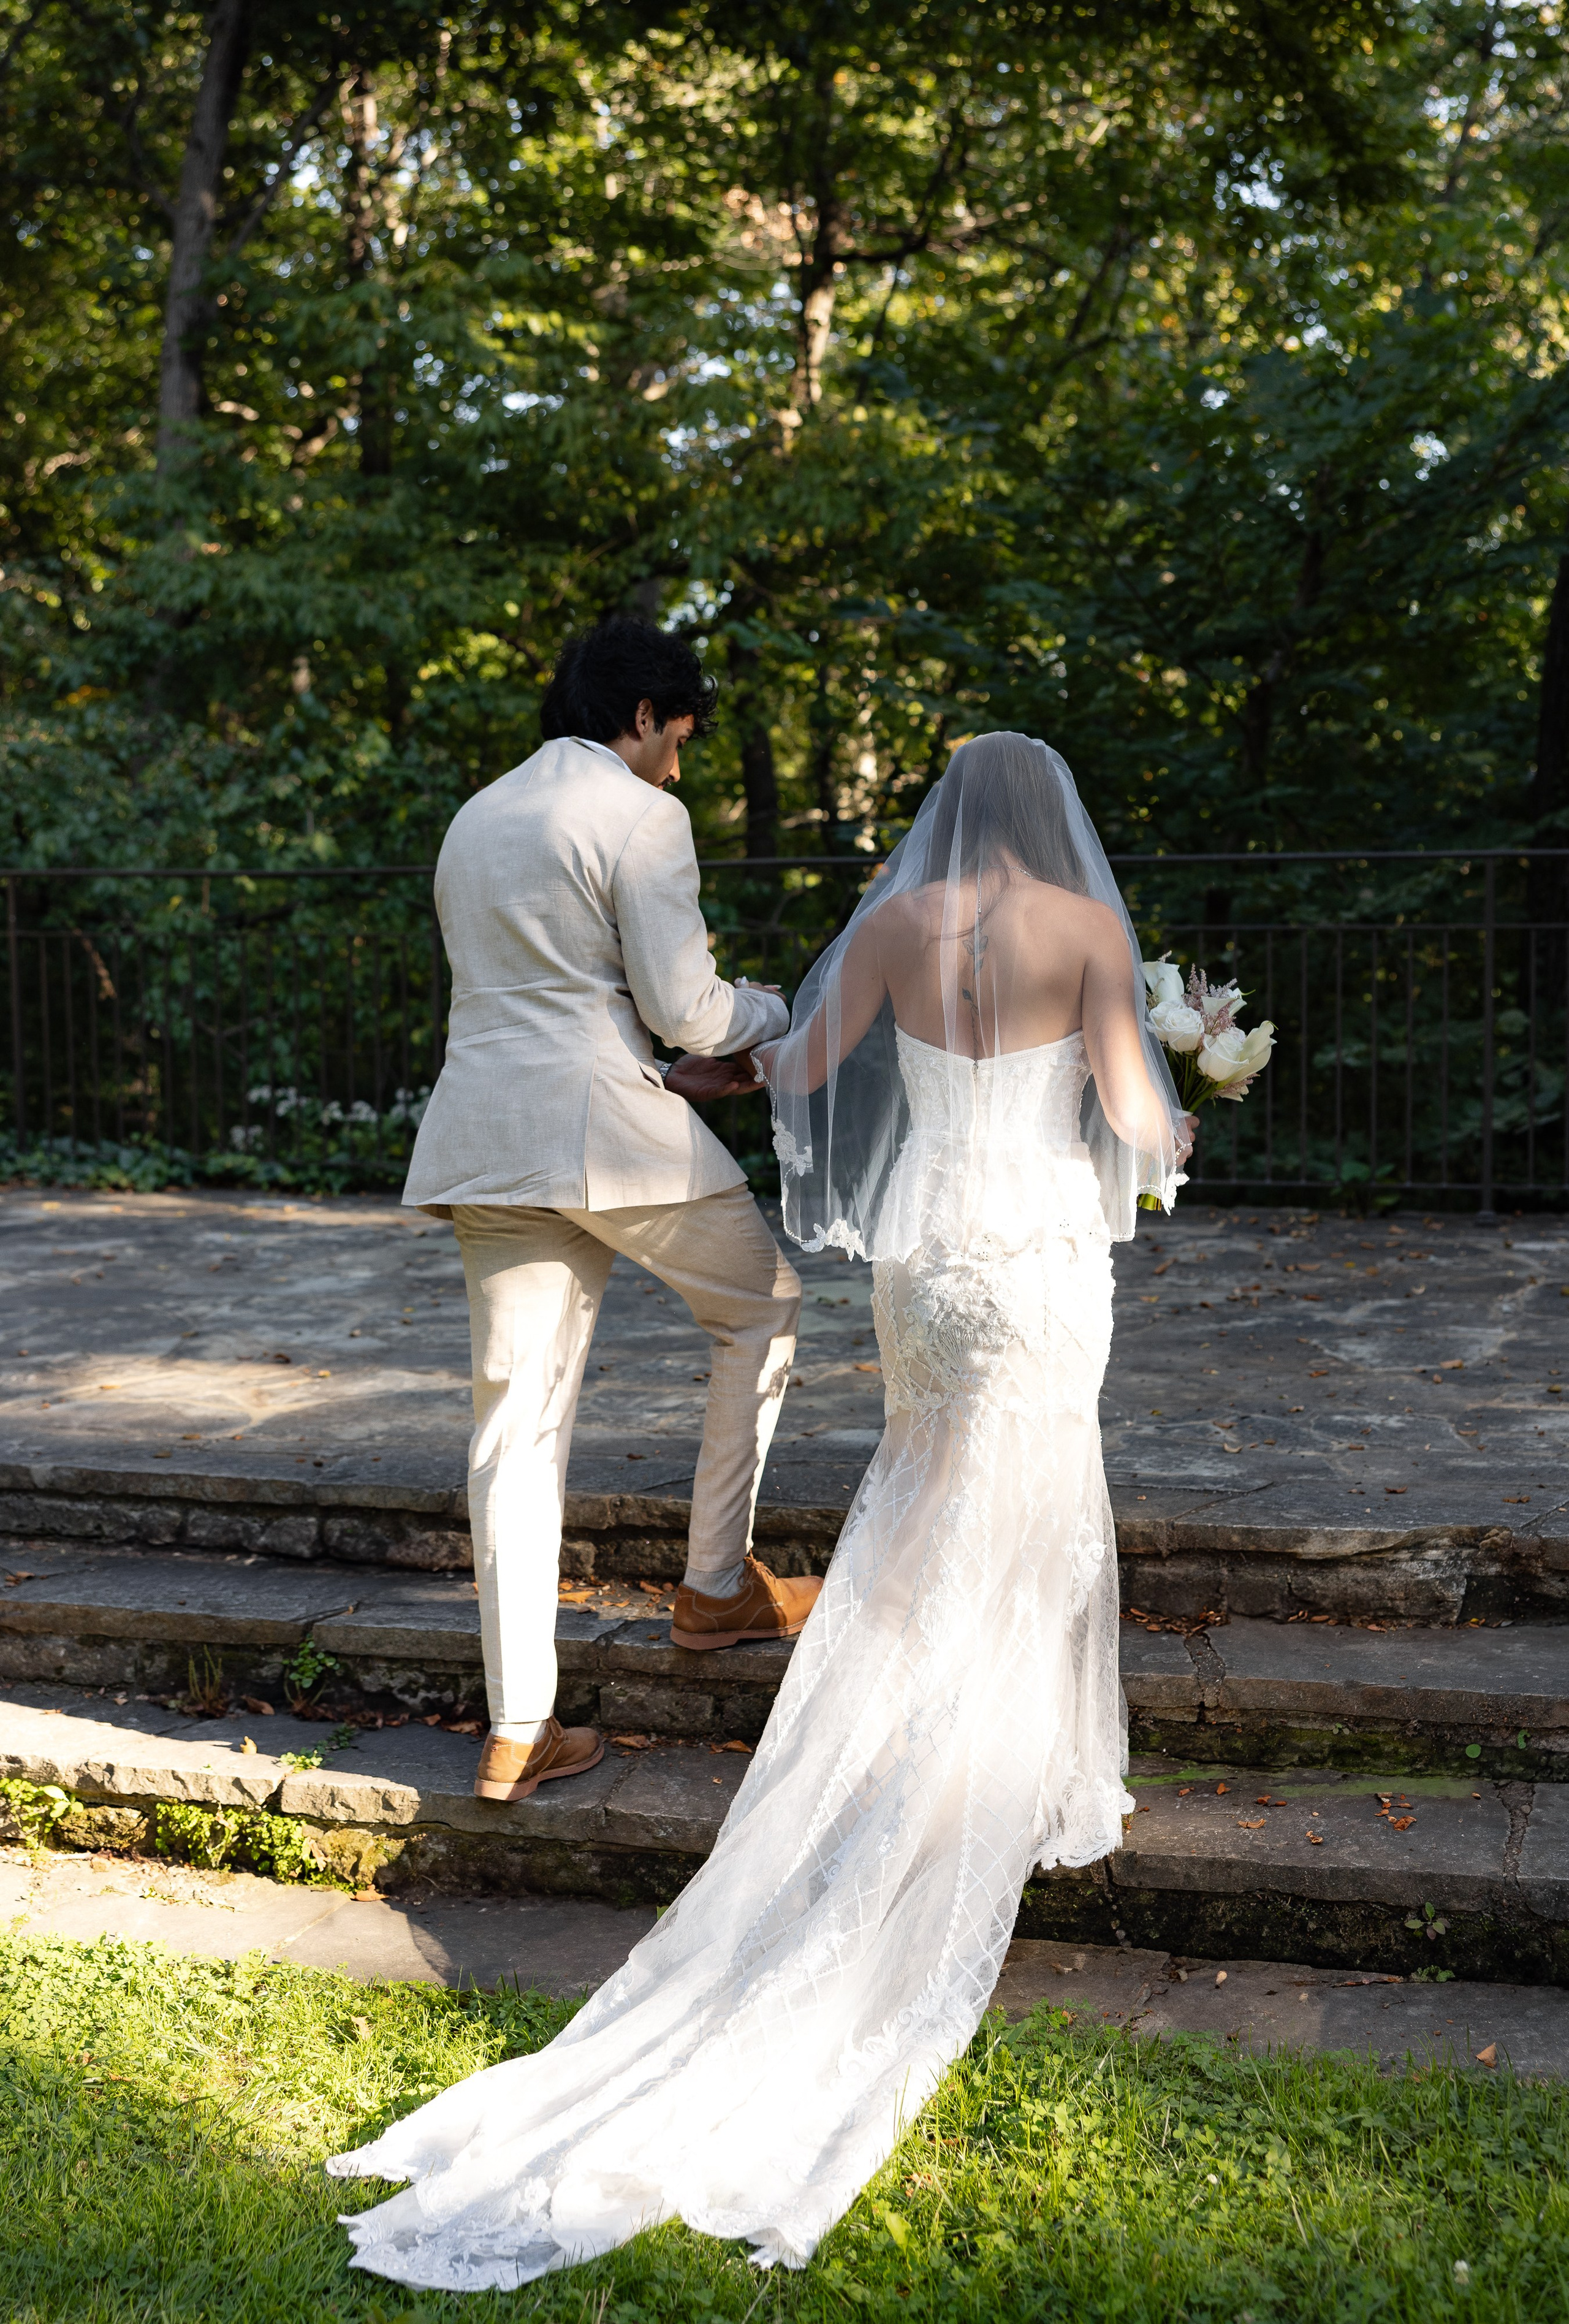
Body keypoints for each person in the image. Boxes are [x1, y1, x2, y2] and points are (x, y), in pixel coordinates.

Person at [330, 731, 1192, 2288]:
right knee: (1029, 1487)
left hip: (926, 1254)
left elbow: (794, 1069)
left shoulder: (882, 930)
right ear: (1049, 818)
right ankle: (1009, 1762)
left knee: (925, 1488)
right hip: (1039, 1251)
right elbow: (1133, 1115)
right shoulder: (1086, 931)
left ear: (943, 821)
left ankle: (909, 1730)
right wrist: (1181, 1115)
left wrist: (697, 1069)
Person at [401, 614, 820, 1808]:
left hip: (488, 1135)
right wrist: (774, 1015)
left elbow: (544, 997)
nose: (678, 766)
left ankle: (518, 1727)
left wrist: (650, 1057)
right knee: (762, 1310)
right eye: (676, 738)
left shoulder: (478, 816)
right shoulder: (641, 814)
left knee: (513, 1432)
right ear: (640, 716)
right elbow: (688, 1007)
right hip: (608, 1137)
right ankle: (711, 1586)